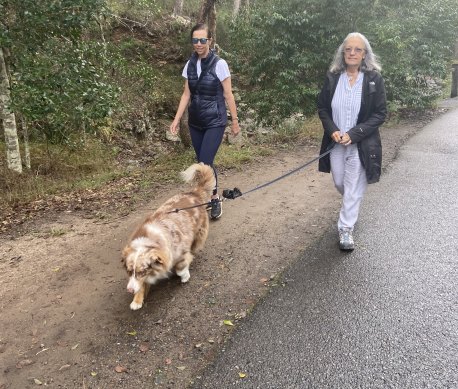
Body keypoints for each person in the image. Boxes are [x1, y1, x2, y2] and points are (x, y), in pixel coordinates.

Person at [317, 32, 387, 251]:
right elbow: (323, 109)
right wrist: (333, 131)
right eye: (348, 49)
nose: (352, 53)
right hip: (336, 143)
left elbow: (380, 113)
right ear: (343, 53)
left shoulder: (374, 79)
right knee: (340, 182)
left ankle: (345, 229)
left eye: (357, 50)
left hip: (361, 144)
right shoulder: (332, 77)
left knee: (353, 185)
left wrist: (355, 133)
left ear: (365, 54)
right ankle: (352, 202)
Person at [170, 23, 240, 220]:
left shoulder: (220, 64)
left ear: (210, 41)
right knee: (203, 162)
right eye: (195, 40)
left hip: (215, 121)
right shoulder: (190, 65)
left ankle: (214, 199)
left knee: (206, 162)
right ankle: (209, 198)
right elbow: (186, 94)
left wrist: (234, 121)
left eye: (202, 40)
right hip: (196, 122)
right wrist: (176, 120)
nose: (199, 44)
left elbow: (228, 94)